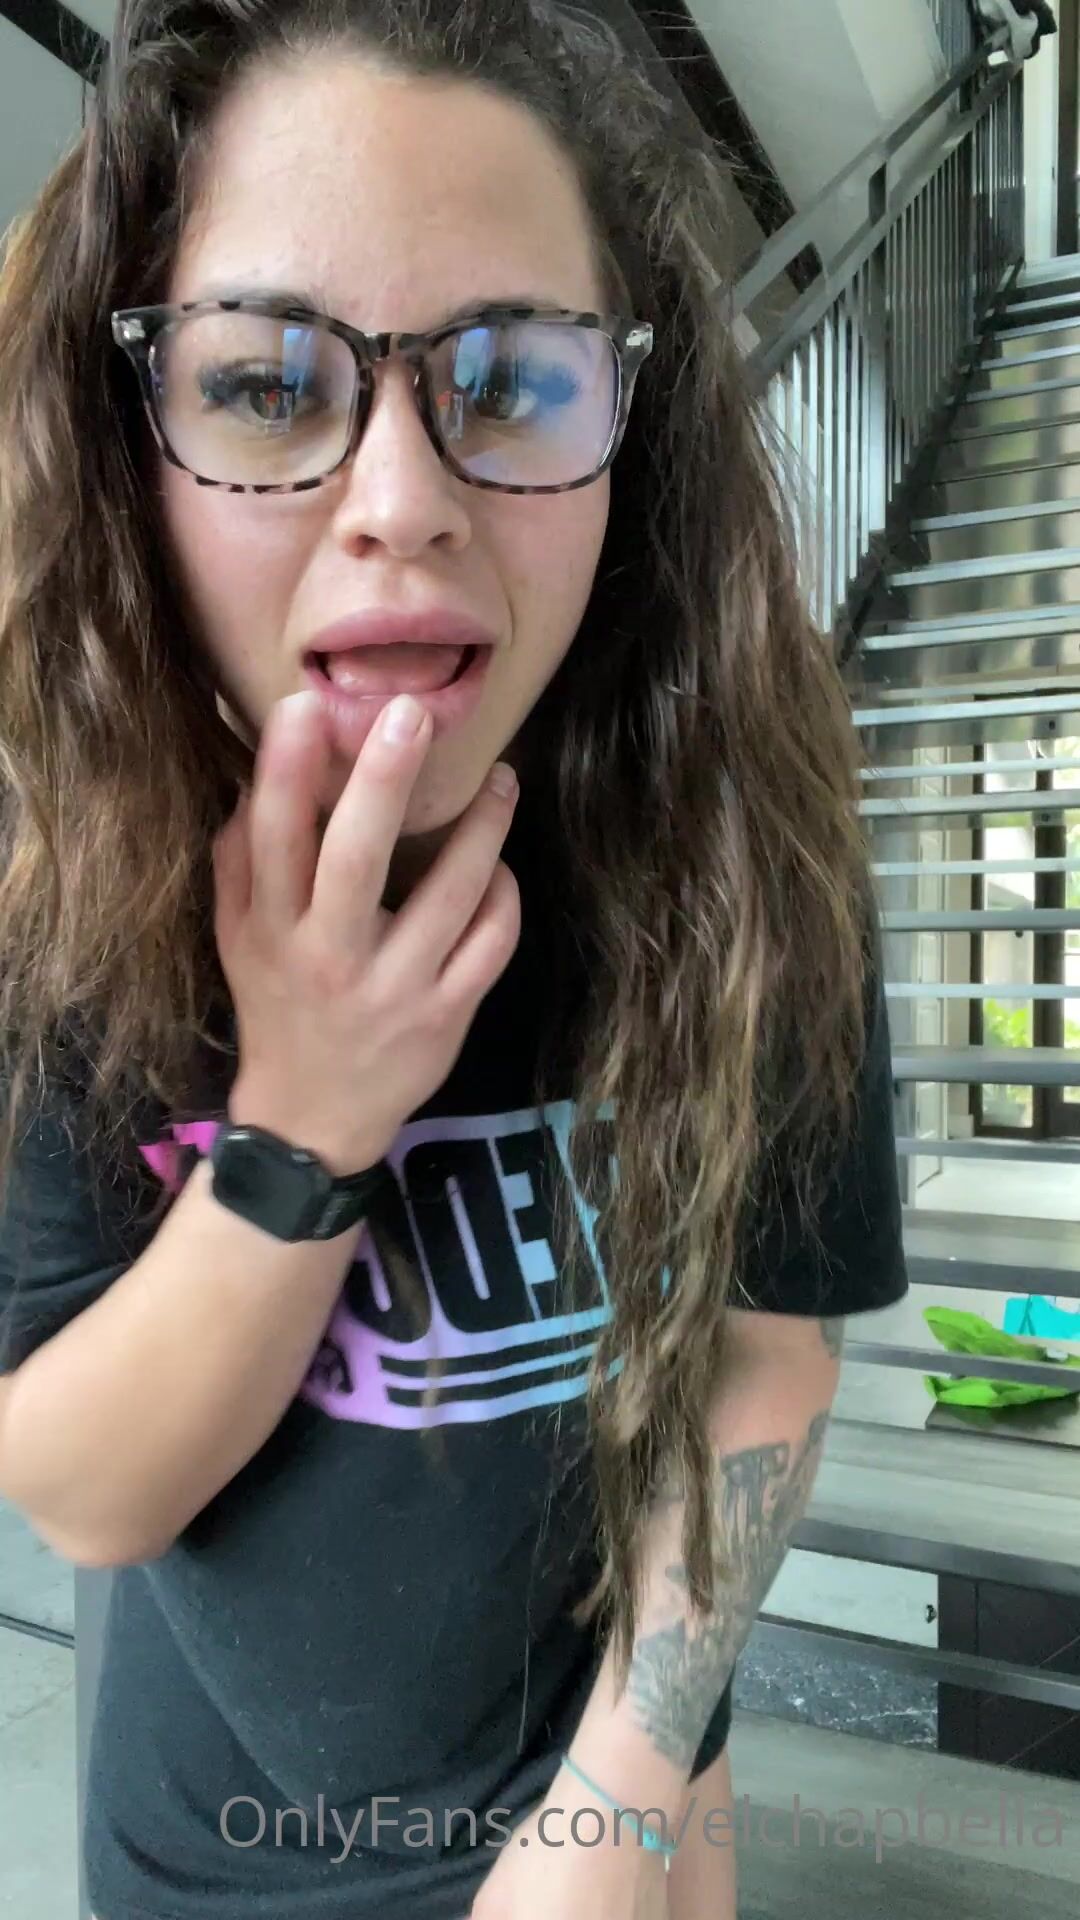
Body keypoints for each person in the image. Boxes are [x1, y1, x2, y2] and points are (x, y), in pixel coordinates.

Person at [0, 4, 909, 1918]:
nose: (403, 501)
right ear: (132, 441)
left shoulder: (754, 852)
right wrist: (306, 1118)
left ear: (632, 432)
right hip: (200, 1860)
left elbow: (767, 1357)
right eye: (267, 385)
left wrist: (618, 1808)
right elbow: (84, 1489)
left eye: (512, 379)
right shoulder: (51, 877)